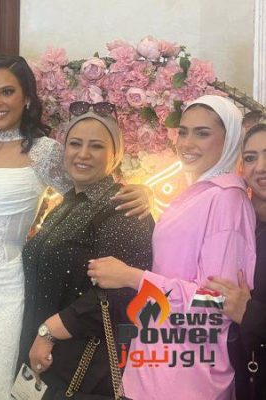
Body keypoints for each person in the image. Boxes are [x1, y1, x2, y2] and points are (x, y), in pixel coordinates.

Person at [0, 55, 149, 400]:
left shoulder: (44, 152)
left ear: (27, 98)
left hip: (5, 291)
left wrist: (141, 191)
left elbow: (89, 186)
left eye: (7, 92)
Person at [87, 95, 256, 400]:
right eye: (183, 132)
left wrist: (132, 277)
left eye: (202, 133)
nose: (187, 143)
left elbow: (215, 304)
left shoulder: (227, 200)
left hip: (188, 376)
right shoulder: (199, 193)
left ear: (229, 139)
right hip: (158, 362)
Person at [19, 111, 154, 398]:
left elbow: (120, 293)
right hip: (47, 355)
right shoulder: (67, 203)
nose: (83, 154)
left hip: (84, 366)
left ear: (116, 155)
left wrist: (49, 331)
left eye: (96, 146)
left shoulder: (124, 209)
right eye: (75, 143)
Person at [206, 122, 266, 399]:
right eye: (251, 158)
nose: (260, 167)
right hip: (229, 375)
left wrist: (250, 313)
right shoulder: (236, 220)